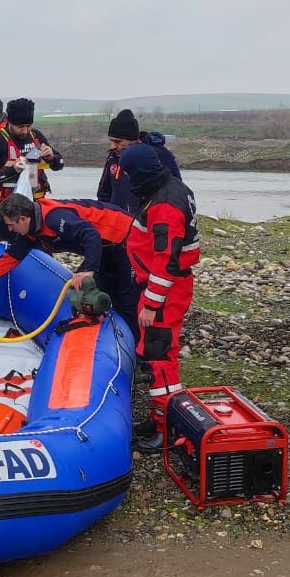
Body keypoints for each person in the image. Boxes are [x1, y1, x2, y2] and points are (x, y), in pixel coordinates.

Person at [0, 192, 138, 335]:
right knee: (98, 292)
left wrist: (89, 269)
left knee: (126, 296)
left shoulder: (54, 218)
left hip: (125, 237)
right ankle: (109, 336)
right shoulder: (29, 232)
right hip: (103, 246)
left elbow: (90, 235)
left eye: (11, 225)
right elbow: (10, 259)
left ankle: (136, 352)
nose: (10, 230)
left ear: (23, 219)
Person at [117, 143, 199, 454]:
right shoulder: (173, 187)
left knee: (159, 358)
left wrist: (151, 304)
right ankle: (159, 419)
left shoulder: (165, 204)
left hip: (164, 291)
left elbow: (166, 259)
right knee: (159, 354)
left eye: (129, 174)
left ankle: (164, 429)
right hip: (164, 287)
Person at [0, 97, 63, 237]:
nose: (25, 131)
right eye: (20, 127)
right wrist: (12, 170)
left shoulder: (36, 136)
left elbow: (59, 165)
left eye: (28, 126)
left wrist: (52, 158)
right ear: (9, 121)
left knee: (39, 248)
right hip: (7, 210)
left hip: (36, 207)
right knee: (11, 250)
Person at [97, 109, 182, 214]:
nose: (113, 146)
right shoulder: (113, 156)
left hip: (146, 221)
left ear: (133, 139)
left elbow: (177, 190)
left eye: (118, 142)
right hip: (116, 222)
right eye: (111, 141)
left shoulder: (160, 155)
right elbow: (104, 193)